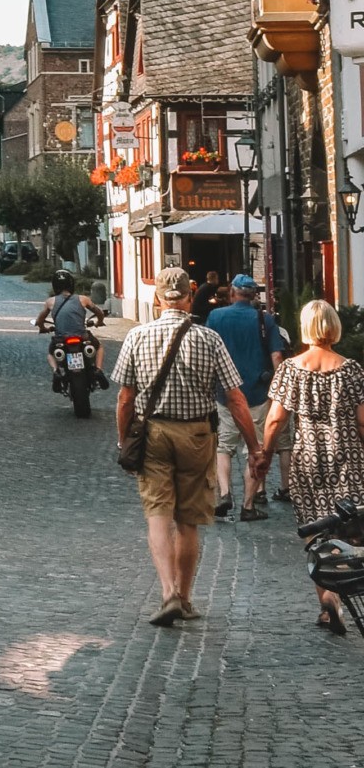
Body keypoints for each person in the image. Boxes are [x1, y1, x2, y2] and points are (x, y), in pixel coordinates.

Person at [113, 267, 261, 627]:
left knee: (158, 516)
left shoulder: (137, 336)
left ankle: (166, 594)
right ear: (189, 293)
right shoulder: (208, 339)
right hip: (197, 435)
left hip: (153, 435)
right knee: (189, 520)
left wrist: (123, 440)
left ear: (159, 298)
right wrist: (254, 446)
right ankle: (185, 596)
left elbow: (125, 398)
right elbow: (236, 398)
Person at [261, 298, 364, 633]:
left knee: (315, 531)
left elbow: (275, 419)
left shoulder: (291, 369)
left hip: (307, 462)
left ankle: (327, 601)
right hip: (348, 458)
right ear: (334, 327)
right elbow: (363, 422)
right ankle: (347, 595)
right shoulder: (352, 370)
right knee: (351, 530)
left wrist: (263, 454)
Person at [205, 274, 288, 521]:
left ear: (232, 292)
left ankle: (225, 493)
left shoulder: (216, 317)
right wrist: (279, 388)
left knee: (223, 448)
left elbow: (207, 351)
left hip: (225, 394)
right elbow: (276, 357)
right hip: (257, 393)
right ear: (254, 296)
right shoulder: (265, 320)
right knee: (257, 450)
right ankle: (248, 506)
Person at [35, 272, 106, 389]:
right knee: (99, 347)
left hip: (61, 338)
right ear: (71, 284)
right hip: (82, 336)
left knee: (51, 353)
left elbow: (40, 320)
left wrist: (43, 328)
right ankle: (98, 370)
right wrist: (99, 321)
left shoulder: (50, 302)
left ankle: (56, 371)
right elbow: (99, 312)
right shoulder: (83, 299)